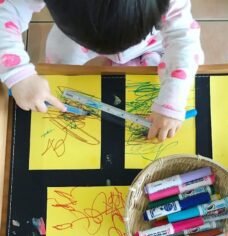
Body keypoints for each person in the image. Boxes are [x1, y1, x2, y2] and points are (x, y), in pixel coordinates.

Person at [0, 0, 204, 141]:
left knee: (175, 61)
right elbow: (5, 12)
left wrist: (173, 101)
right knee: (61, 60)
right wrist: (18, 75)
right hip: (76, 39)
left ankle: (144, 58)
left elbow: (184, 38)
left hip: (150, 40)